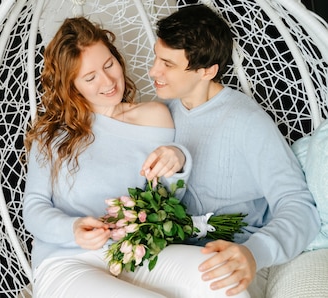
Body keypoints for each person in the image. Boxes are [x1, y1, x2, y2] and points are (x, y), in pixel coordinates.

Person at [22, 16, 249, 298]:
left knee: (223, 280)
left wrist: (177, 158)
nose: (107, 81)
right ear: (71, 86)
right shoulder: (53, 136)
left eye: (109, 65)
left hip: (138, 252)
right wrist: (73, 229)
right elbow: (33, 208)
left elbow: (166, 200)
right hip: (68, 262)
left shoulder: (154, 116)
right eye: (90, 77)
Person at [141, 4, 321, 297]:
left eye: (168, 64)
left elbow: (299, 207)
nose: (153, 71)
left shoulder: (248, 123)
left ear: (207, 71)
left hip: (233, 260)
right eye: (156, 57)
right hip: (175, 255)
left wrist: (254, 253)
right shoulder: (161, 112)